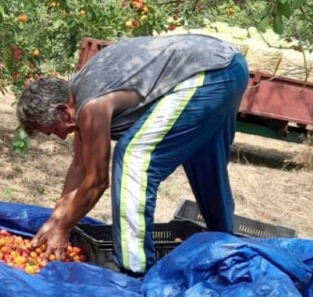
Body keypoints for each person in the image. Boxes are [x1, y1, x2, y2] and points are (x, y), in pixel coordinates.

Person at [15, 34, 248, 274]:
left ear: (63, 110)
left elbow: (97, 181)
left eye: (54, 130)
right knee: (204, 161)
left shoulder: (92, 106)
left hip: (210, 73)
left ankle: (133, 271)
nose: (60, 137)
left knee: (133, 158)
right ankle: (226, 246)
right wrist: (57, 217)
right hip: (229, 66)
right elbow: (80, 165)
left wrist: (64, 229)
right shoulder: (78, 91)